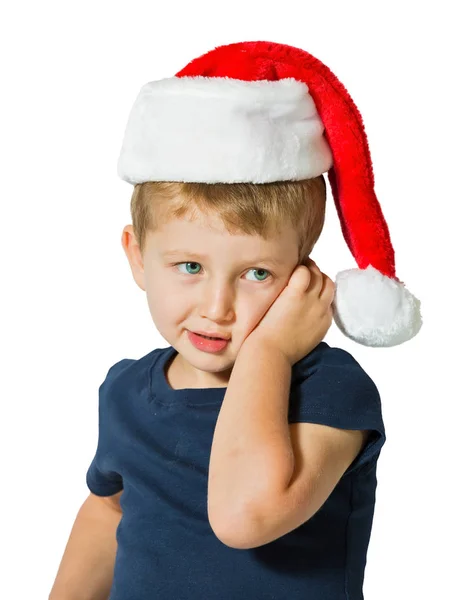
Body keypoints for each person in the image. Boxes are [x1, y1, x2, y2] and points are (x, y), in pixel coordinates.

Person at [49, 41, 423, 600]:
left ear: (304, 278)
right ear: (137, 256)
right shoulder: (126, 389)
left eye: (256, 274)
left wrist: (268, 353)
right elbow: (108, 511)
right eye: (190, 266)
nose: (217, 306)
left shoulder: (330, 390)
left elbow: (245, 515)